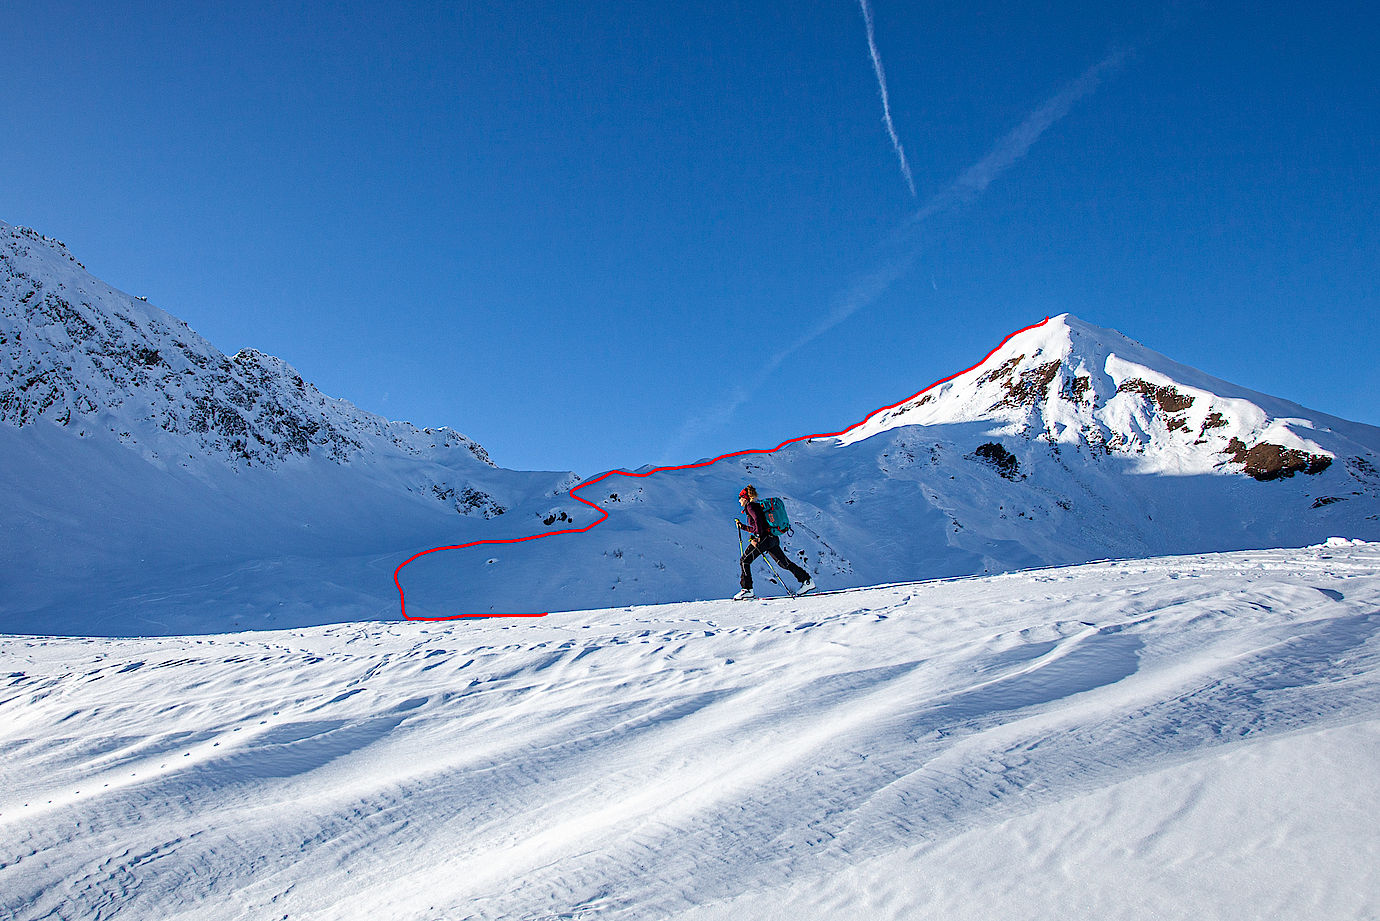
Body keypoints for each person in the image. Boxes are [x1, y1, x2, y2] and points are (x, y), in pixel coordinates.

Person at [734, 485, 815, 600]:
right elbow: (759, 525)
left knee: (744, 560)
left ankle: (747, 589)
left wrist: (756, 538)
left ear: (745, 498)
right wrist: (743, 527)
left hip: (763, 539)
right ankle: (807, 580)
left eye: (740, 497)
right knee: (784, 563)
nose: (739, 500)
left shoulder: (751, 506)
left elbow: (759, 525)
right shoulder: (756, 506)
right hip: (772, 538)